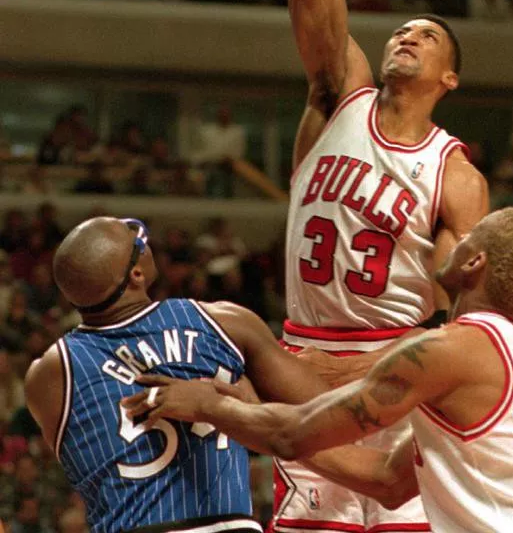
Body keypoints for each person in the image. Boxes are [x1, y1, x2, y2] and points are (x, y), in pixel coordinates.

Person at [262, 0, 489, 533]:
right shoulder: (340, 97)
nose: (407, 35)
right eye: (402, 29)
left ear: (448, 76)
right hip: (303, 365)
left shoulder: (454, 173)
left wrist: (402, 366)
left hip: (393, 378)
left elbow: (466, 308)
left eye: (427, 36)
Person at [126, 207, 513, 533]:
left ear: (475, 260)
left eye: (467, 236)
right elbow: (386, 481)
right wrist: (252, 407)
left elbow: (294, 434)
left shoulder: (452, 350)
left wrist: (211, 405)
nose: (450, 240)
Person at [25, 217, 423, 533]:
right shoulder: (224, 323)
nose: (144, 238)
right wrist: (253, 407)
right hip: (227, 524)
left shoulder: (48, 375)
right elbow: (329, 416)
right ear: (136, 276)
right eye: (138, 242)